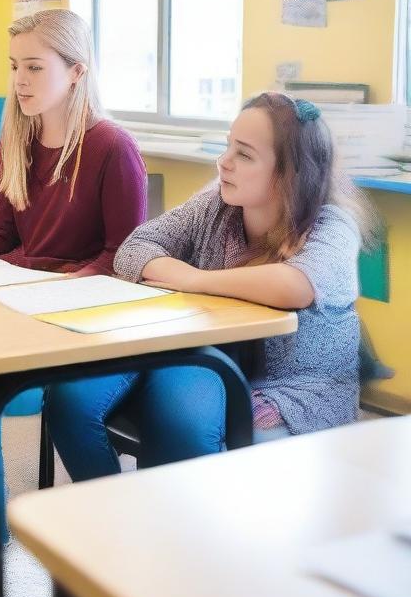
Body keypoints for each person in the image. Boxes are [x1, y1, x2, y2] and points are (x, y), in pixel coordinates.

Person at [47, 91, 369, 481]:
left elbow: (296, 285)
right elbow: (135, 247)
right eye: (228, 146)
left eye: (244, 154)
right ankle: (111, 513)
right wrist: (175, 272)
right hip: (200, 352)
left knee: (189, 428)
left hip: (296, 391)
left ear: (290, 174)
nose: (224, 162)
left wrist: (193, 279)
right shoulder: (216, 204)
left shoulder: (331, 226)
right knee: (75, 400)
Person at [0, 8, 146, 537]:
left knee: (8, 391)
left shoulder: (112, 147)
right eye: (14, 68)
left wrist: (63, 285)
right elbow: (1, 230)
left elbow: (124, 255)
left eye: (34, 68)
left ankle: (117, 529)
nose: (19, 82)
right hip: (20, 292)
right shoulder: (16, 139)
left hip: (83, 307)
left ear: (76, 72)